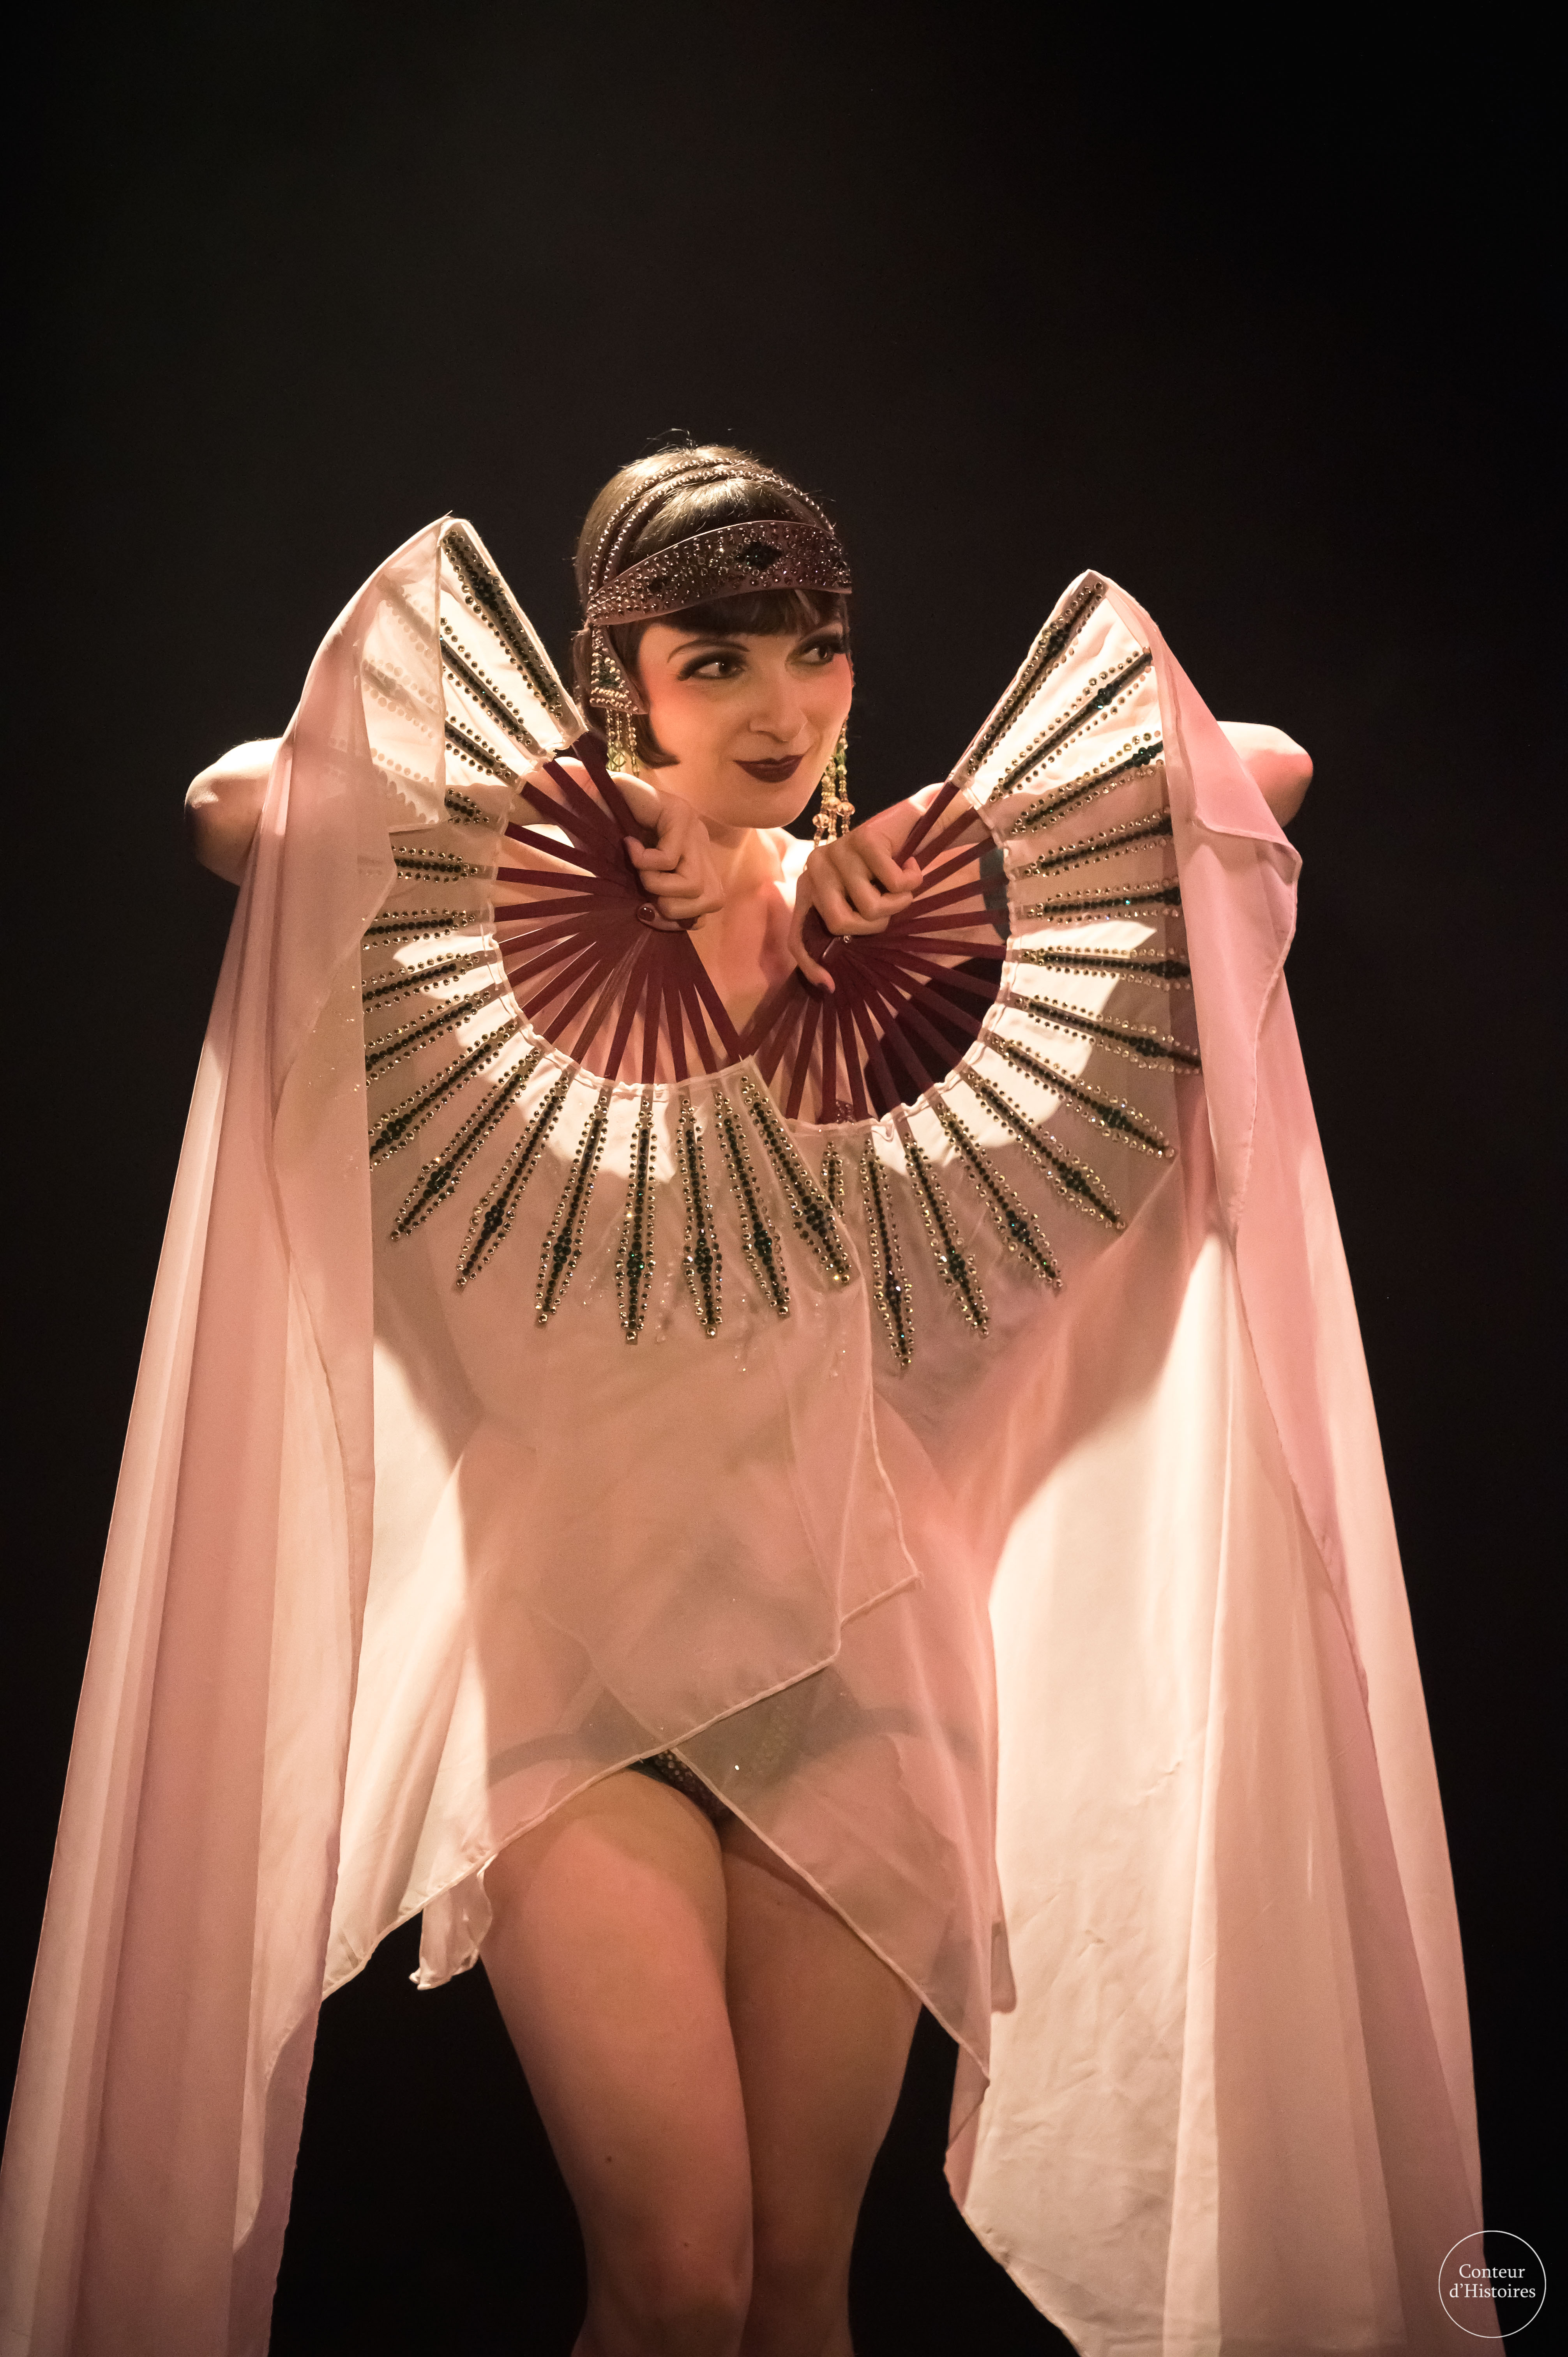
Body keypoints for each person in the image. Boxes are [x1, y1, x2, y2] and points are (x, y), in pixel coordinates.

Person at [2, 447, 1489, 2357]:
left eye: (814, 652)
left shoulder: (903, 911)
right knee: (677, 2283)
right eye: (716, 663)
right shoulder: (517, 894)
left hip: (862, 1675)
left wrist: (963, 832)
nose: (783, 708)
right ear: (622, 682)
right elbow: (234, 804)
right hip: (582, 1683)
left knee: (796, 2292)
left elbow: (1260, 772)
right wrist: (582, 817)